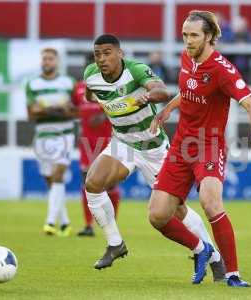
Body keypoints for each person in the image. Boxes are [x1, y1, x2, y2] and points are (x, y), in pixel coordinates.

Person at [83, 34, 225, 281]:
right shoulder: (91, 75)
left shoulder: (136, 70)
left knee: (177, 211)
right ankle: (115, 243)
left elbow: (162, 90)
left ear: (120, 54)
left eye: (107, 53)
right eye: (98, 54)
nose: (102, 59)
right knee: (92, 184)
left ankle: (215, 259)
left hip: (154, 148)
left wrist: (147, 96)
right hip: (124, 144)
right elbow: (90, 93)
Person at [148, 10, 251, 287]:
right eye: (184, 35)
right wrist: (168, 109)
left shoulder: (222, 69)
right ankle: (203, 250)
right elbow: (189, 91)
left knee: (210, 201)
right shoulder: (186, 58)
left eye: (193, 35)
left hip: (208, 146)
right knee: (157, 215)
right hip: (181, 145)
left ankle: (233, 274)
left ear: (210, 37)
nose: (187, 41)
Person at [26, 48, 77, 236]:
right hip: (42, 136)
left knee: (57, 176)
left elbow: (75, 111)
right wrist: (59, 108)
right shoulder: (32, 84)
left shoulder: (68, 83)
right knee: (51, 181)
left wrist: (45, 108)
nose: (47, 62)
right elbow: (31, 114)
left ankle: (49, 223)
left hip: (65, 134)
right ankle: (65, 222)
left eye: (50, 59)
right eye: (44, 58)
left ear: (57, 62)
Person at [72, 54, 121, 237]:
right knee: (87, 183)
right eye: (88, 65)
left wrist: (104, 116)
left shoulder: (110, 86)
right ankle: (88, 225)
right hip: (87, 143)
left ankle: (112, 222)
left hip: (108, 140)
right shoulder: (78, 89)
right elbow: (75, 109)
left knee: (110, 184)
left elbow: (120, 108)